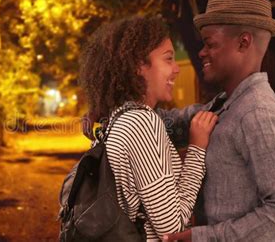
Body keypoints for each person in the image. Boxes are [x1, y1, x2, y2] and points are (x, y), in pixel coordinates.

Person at [159, 0, 275, 241]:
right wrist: (113, 114)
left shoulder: (257, 113)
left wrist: (203, 237)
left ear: (243, 42)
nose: (202, 53)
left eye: (210, 44)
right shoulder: (226, 104)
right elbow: (171, 123)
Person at [79, 15, 218, 241]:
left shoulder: (118, 118)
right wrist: (197, 150)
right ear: (138, 66)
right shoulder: (141, 123)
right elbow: (171, 226)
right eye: (168, 59)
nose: (176, 69)